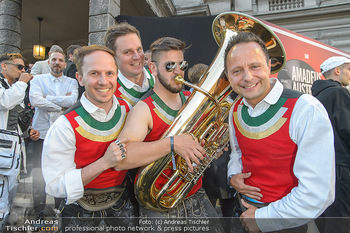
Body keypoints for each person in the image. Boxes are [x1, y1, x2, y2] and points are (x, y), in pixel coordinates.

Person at [225, 32, 335, 233]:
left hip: (289, 224)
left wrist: (262, 218)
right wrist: (233, 176)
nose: (247, 77)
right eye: (237, 70)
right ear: (228, 75)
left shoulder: (306, 108)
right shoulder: (235, 109)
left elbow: (318, 194)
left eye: (255, 66)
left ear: (269, 65)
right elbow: (237, 153)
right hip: (243, 214)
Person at [114, 37, 224, 233]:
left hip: (194, 194)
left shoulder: (192, 99)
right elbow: (121, 158)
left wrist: (209, 147)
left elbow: (203, 141)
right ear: (153, 69)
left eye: (182, 64)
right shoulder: (144, 108)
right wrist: (172, 143)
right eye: (170, 65)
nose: (178, 71)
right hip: (158, 204)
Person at [41, 45, 136, 231]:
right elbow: (54, 186)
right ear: (80, 78)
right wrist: (104, 162)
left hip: (123, 206)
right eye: (94, 73)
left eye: (109, 73)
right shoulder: (64, 125)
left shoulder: (130, 110)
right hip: (79, 211)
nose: (103, 81)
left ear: (117, 76)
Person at [29, 49, 78, 222]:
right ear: (48, 62)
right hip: (40, 134)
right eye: (54, 60)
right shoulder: (38, 79)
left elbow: (73, 102)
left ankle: (60, 209)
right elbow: (35, 100)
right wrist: (60, 105)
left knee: (62, 172)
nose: (57, 63)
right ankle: (39, 212)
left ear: (65, 64)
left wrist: (47, 98)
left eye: (61, 60)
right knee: (38, 173)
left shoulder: (71, 82)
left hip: (62, 135)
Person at [0, 53, 40, 231]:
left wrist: (27, 130)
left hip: (12, 153)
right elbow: (5, 102)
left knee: (8, 197)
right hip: (3, 154)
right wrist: (23, 82)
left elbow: (14, 119)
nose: (23, 71)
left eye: (24, 67)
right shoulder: (9, 88)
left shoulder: (13, 87)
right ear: (4, 66)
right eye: (19, 67)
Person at [311, 56, 350, 233]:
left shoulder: (315, 97)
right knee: (342, 220)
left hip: (322, 167)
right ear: (337, 71)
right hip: (341, 168)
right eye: (348, 69)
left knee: (327, 218)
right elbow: (347, 129)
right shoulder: (339, 93)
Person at [104, 22, 155, 109]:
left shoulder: (158, 74)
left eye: (139, 49)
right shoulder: (109, 95)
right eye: (127, 52)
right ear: (113, 57)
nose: (137, 57)